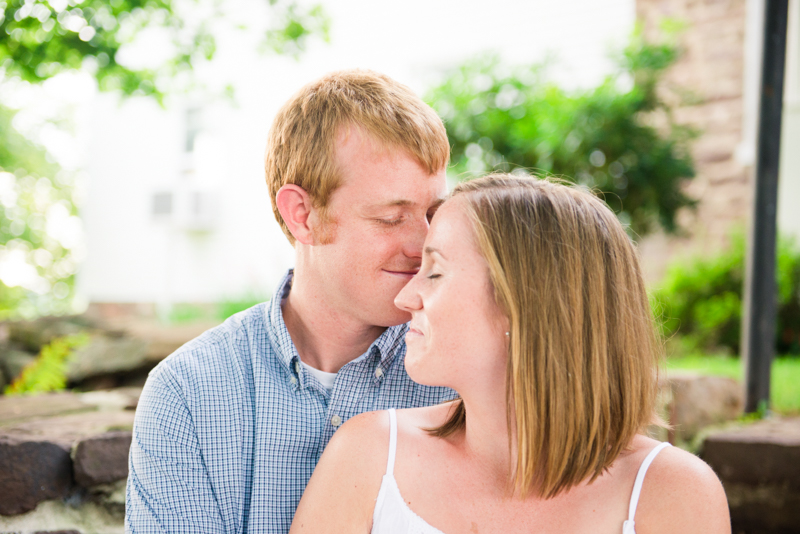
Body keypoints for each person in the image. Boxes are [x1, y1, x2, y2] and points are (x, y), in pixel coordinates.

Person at [290, 174, 731, 534]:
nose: (406, 297)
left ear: (523, 305)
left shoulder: (672, 494)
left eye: (436, 271)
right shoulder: (368, 456)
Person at [125, 70, 458, 533]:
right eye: (390, 218)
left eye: (430, 214)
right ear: (302, 215)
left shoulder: (464, 376)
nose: (423, 245)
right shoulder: (187, 395)